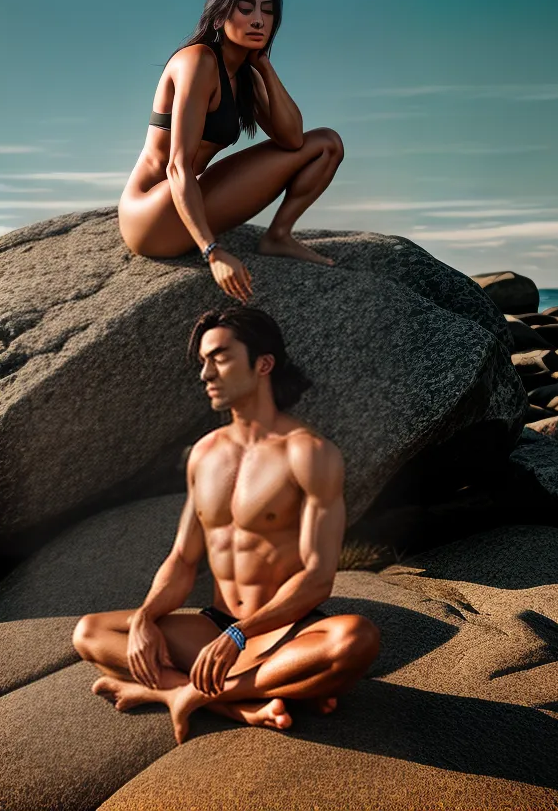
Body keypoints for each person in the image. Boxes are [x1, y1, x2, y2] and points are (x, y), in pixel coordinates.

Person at [71, 306, 380, 744]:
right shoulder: (205, 453)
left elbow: (317, 578)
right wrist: (145, 617)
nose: (205, 374)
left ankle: (184, 693)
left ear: (263, 364)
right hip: (213, 629)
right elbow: (182, 558)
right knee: (92, 633)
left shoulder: (309, 453)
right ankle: (232, 701)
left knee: (354, 639)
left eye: (219, 357)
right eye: (202, 362)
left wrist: (241, 634)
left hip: (283, 632)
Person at [118, 0, 345, 304]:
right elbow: (177, 166)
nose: (258, 19)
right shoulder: (198, 62)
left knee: (326, 144)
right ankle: (224, 240)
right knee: (318, 145)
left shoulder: (244, 75)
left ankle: (279, 235)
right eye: (246, 8)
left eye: (268, 12)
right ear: (220, 12)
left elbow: (294, 140)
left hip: (185, 197)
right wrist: (213, 251)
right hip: (150, 212)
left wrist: (265, 68)